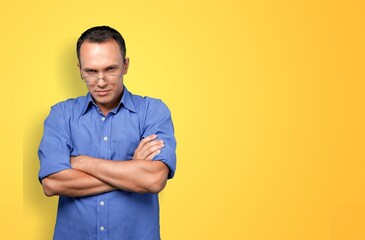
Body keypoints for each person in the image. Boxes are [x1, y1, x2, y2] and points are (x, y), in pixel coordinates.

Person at [38, 26, 177, 240]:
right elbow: (52, 183)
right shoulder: (61, 115)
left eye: (110, 69)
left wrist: (82, 162)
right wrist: (132, 171)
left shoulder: (153, 111)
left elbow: (154, 180)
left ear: (126, 65)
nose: (101, 81)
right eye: (91, 71)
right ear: (80, 69)